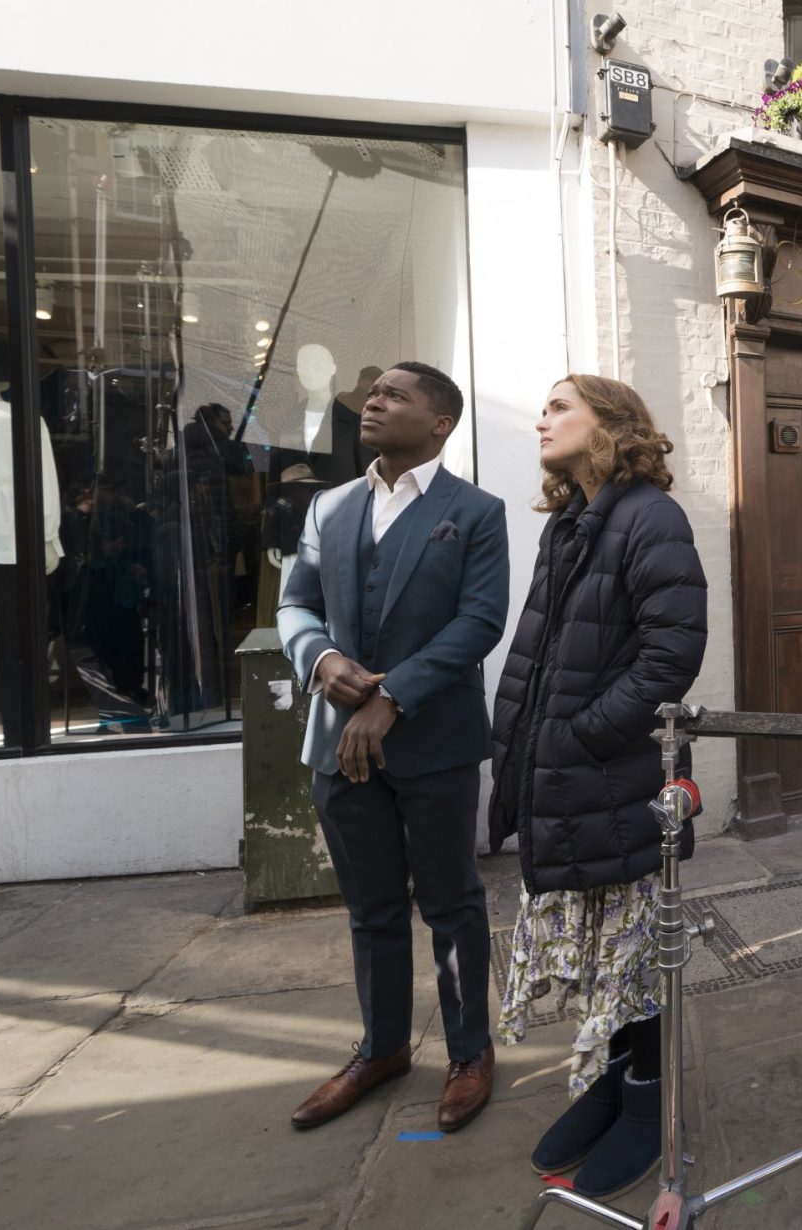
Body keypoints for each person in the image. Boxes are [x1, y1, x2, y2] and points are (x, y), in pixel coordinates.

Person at [278, 362, 509, 1133]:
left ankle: (470, 1052)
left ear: (440, 422)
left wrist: (393, 695)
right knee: (371, 910)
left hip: (434, 743)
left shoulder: (474, 511)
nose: (372, 401)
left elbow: (479, 622)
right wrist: (320, 658)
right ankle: (380, 1049)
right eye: (371, 393)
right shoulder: (329, 505)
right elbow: (295, 603)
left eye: (394, 394)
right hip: (335, 745)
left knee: (451, 905)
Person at [492, 375, 708, 1199]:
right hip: (569, 777)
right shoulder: (571, 522)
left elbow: (670, 656)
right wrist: (521, 744)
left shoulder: (651, 516)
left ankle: (650, 1107)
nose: (541, 418)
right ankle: (615, 1091)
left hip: (614, 773)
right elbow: (542, 649)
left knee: (637, 958)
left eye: (558, 406)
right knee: (604, 956)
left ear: (611, 424)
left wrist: (577, 737)